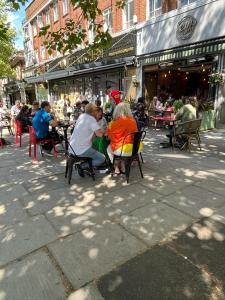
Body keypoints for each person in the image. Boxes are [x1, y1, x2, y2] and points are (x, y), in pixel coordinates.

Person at [69, 103, 105, 176]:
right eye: (96, 110)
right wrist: (105, 132)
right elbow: (100, 134)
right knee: (102, 158)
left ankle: (89, 166)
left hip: (72, 148)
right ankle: (82, 166)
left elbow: (93, 133)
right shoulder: (91, 119)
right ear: (93, 111)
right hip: (81, 150)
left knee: (94, 146)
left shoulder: (82, 116)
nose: (98, 111)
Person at [107, 103, 138, 175]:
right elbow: (136, 134)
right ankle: (123, 165)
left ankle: (116, 166)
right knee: (119, 146)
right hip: (132, 149)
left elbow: (109, 138)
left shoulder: (113, 123)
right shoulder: (133, 121)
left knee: (109, 149)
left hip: (120, 149)